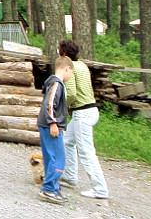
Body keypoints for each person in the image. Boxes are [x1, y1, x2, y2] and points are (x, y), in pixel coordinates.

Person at [58, 39, 110, 200]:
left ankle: (100, 189)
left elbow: (72, 92)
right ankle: (70, 176)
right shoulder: (82, 65)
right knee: (67, 141)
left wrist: (63, 107)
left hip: (82, 113)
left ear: (65, 53)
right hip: (91, 110)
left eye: (60, 50)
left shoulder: (70, 67)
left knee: (86, 152)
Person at [37, 55, 74, 204]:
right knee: (58, 158)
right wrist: (53, 123)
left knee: (51, 157)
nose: (71, 76)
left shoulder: (53, 83)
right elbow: (50, 104)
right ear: (67, 69)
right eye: (71, 73)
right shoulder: (57, 84)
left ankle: (53, 187)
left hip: (47, 125)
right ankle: (48, 189)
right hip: (51, 126)